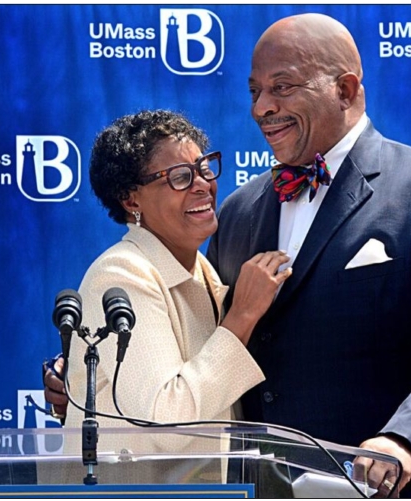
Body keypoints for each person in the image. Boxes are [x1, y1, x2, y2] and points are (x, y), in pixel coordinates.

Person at [45, 13, 411, 497]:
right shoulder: (238, 212)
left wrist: (406, 441)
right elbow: (199, 342)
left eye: (282, 87)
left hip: (390, 488)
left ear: (345, 89)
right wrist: (91, 374)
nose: (262, 108)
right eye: (255, 91)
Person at [42, 109, 292, 483]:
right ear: (131, 200)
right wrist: (241, 316)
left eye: (204, 168)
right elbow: (164, 423)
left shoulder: (203, 270)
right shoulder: (122, 273)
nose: (202, 185)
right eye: (179, 177)